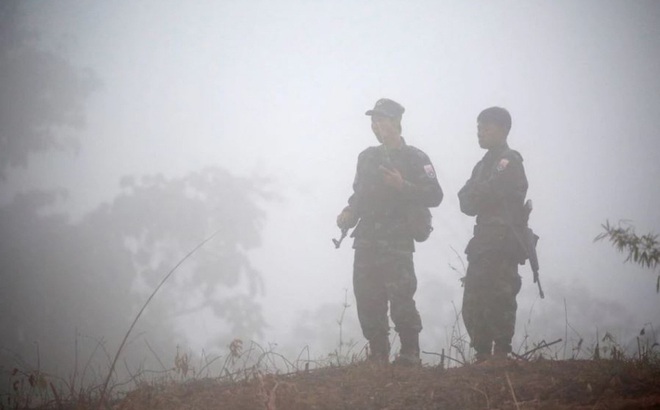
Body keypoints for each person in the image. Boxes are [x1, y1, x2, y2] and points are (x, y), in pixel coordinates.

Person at [336, 98, 443, 365]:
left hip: (397, 240)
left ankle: (410, 354)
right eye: (373, 121)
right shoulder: (367, 157)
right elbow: (359, 195)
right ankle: (378, 354)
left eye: (381, 119)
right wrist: (349, 213)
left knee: (401, 296)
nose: (376, 125)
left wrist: (402, 185)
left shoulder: (416, 157)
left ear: (396, 122)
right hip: (367, 239)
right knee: (367, 297)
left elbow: (435, 194)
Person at [458, 106, 529, 363]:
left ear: (503, 129)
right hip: (483, 241)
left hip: (503, 240)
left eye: (486, 127)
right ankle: (482, 354)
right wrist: (481, 194)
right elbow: (465, 201)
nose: (480, 132)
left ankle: (500, 353)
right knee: (474, 299)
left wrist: (481, 194)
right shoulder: (482, 166)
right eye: (478, 127)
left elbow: (488, 192)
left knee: (499, 296)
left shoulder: (509, 160)